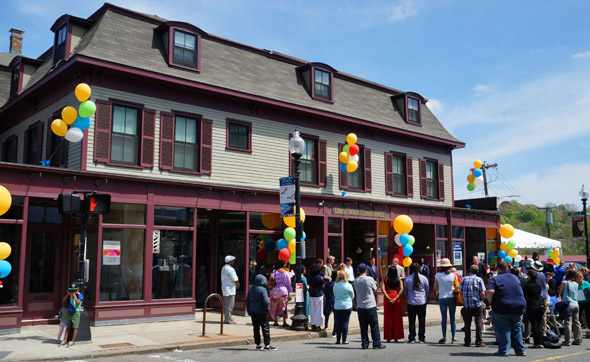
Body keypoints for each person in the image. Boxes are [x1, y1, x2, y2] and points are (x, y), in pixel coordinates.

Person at [486, 260, 526, 357]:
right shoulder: (515, 278)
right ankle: (520, 350)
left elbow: (490, 291)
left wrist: (489, 303)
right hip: (519, 306)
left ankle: (503, 351)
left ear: (498, 269)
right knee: (516, 328)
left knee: (503, 329)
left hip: (502, 306)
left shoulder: (495, 279)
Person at [355, 263, 386, 349]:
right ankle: (376, 343)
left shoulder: (356, 280)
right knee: (374, 325)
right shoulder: (370, 279)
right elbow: (375, 289)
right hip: (370, 305)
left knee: (363, 326)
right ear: (366, 270)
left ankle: (365, 344)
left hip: (361, 306)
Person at [246, 274, 277, 351]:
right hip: (262, 311)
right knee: (265, 327)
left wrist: (249, 309)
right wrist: (268, 309)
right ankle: (267, 344)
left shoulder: (251, 288)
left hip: (253, 311)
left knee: (256, 328)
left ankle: (258, 345)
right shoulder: (263, 290)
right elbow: (266, 301)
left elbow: (247, 300)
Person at [459, 264, 486, 347]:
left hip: (467, 304)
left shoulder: (464, 279)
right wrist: (482, 299)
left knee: (467, 323)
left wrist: (464, 299)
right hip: (477, 303)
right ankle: (478, 341)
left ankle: (467, 341)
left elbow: (460, 291)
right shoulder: (479, 279)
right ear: (477, 271)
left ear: (470, 271)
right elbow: (482, 293)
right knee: (478, 322)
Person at [434, 258, 457, 344]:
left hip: (442, 297)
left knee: (444, 318)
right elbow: (456, 286)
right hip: (451, 297)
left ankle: (444, 337)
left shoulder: (437, 275)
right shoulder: (453, 275)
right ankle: (454, 337)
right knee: (452, 317)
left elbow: (435, 288)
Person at [404, 263, 429, 343]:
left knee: (412, 321)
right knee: (422, 321)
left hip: (411, 302)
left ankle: (412, 337)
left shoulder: (408, 279)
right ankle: (421, 337)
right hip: (421, 301)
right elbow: (427, 289)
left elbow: (405, 291)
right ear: (419, 269)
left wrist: (409, 297)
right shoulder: (424, 278)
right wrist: (424, 296)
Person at [381, 264, 404, 343]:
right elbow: (401, 288)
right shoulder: (398, 279)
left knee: (388, 317)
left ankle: (388, 337)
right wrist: (396, 297)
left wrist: (388, 297)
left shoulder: (385, 279)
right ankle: (396, 337)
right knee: (397, 317)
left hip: (388, 296)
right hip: (395, 296)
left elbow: (382, 289)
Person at [523, 270, 544, 348]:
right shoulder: (539, 284)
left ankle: (535, 343)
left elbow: (525, 295)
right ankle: (540, 342)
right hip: (539, 305)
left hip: (531, 305)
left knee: (534, 324)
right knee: (539, 324)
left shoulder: (527, 285)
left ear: (530, 276)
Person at [560, 269, 582, 345]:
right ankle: (578, 339)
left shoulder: (564, 283)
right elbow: (580, 296)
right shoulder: (577, 284)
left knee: (568, 323)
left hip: (568, 304)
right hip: (576, 304)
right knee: (577, 322)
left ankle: (568, 341)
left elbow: (560, 293)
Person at [333, 270, 355, 345]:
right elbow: (352, 295)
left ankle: (338, 339)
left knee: (338, 322)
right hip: (347, 305)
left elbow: (334, 294)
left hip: (338, 305)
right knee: (345, 322)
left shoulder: (335, 285)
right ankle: (344, 339)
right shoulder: (348, 285)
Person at [269, 259, 293, 327]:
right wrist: (289, 292)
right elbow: (288, 283)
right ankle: (284, 322)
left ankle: (275, 321)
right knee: (284, 307)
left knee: (275, 306)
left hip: (275, 291)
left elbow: (271, 279)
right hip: (283, 291)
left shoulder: (274, 272)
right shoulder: (286, 273)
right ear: (283, 265)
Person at [221, 255, 239, 324]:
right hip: (230, 289)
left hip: (226, 288)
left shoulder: (224, 268)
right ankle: (227, 319)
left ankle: (228, 317)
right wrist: (237, 284)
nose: (233, 262)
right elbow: (235, 279)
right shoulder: (230, 269)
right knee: (230, 305)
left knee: (228, 304)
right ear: (229, 261)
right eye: (232, 260)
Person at [308, 263, 326, 331]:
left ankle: (313, 324)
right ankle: (318, 325)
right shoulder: (318, 277)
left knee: (312, 310)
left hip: (312, 293)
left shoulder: (310, 276)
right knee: (319, 310)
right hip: (319, 293)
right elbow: (322, 285)